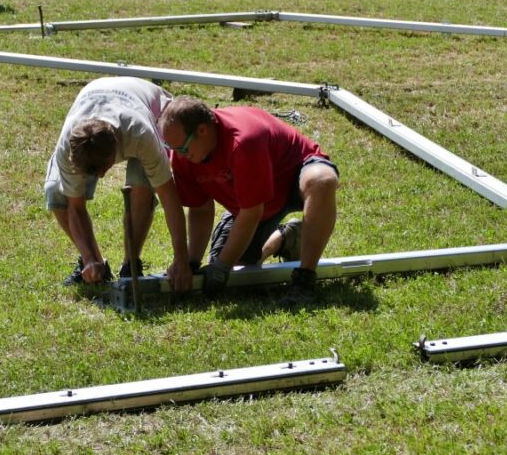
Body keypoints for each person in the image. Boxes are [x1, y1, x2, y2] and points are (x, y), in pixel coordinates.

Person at [158, 95, 339, 302]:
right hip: (254, 204)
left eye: (182, 148)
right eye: (173, 149)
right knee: (239, 274)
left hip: (291, 176)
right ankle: (285, 239)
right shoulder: (183, 157)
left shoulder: (243, 141)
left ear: (202, 130)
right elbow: (200, 210)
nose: (179, 155)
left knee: (321, 181)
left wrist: (221, 266)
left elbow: (252, 213)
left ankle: (304, 279)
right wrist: (191, 264)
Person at [45, 77, 192, 292]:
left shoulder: (140, 133)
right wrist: (89, 258)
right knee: (55, 192)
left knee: (141, 183)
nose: (101, 176)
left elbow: (169, 198)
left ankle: (130, 265)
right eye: (94, 173)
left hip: (152, 110)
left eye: (103, 168)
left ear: (117, 147)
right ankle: (95, 265)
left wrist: (181, 260)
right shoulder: (68, 146)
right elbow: (75, 207)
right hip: (99, 97)